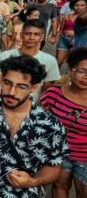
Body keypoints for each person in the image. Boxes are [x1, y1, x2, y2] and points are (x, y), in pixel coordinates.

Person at [0, 55, 69, 197]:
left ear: (34, 87)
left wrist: (32, 181)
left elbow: (55, 165)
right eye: (7, 83)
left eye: (21, 86)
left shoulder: (50, 125)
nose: (11, 92)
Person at [40, 48, 87, 198]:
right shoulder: (53, 94)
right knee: (60, 187)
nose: (86, 77)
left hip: (85, 157)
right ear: (71, 70)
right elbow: (38, 122)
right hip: (58, 153)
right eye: (81, 71)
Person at [0, 19, 61, 100]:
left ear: (42, 37)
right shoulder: (5, 56)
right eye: (28, 34)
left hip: (31, 108)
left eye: (36, 34)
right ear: (21, 35)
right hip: (2, 104)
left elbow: (47, 92)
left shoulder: (50, 61)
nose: (31, 37)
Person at [56, 0, 87, 67]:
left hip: (78, 43)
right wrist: (58, 35)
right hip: (64, 40)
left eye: (82, 5)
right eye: (77, 5)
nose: (79, 7)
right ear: (73, 6)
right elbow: (62, 28)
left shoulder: (85, 19)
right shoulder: (67, 16)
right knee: (58, 63)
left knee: (73, 65)